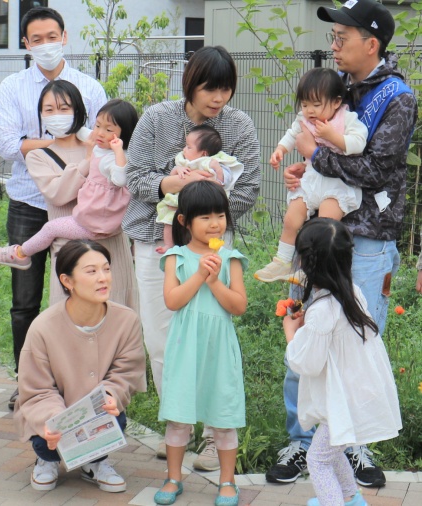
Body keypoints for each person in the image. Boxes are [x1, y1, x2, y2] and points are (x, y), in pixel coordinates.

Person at [268, 0, 416, 487]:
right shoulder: (335, 88)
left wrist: (315, 155)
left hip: (368, 240)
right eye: (333, 37)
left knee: (358, 343)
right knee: (305, 328)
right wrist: (305, 168)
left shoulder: (396, 98)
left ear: (371, 44)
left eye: (342, 37)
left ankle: (352, 445)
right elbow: (323, 154)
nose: (333, 45)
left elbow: (376, 170)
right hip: (320, 236)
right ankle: (302, 440)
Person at [124, 45, 260, 470]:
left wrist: (204, 212)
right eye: (209, 89)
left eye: (226, 89)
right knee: (162, 338)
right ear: (190, 84)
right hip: (157, 241)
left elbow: (249, 188)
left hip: (213, 247)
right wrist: (174, 184)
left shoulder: (239, 125)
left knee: (212, 339)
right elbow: (134, 176)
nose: (218, 98)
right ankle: (177, 428)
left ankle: (213, 436)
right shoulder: (156, 118)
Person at [0, 7, 108, 409]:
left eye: (52, 37)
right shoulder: (13, 86)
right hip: (28, 201)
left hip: (80, 207)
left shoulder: (89, 87)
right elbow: (7, 145)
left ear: (64, 37)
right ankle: (28, 382)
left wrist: (38, 143)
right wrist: (64, 143)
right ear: (26, 44)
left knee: (81, 295)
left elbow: (104, 140)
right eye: (37, 39)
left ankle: (78, 382)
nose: (46, 45)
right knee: (24, 301)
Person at [284, 219, 401, 506]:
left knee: (318, 459)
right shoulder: (352, 293)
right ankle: (350, 498)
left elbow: (307, 362)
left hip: (343, 401)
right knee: (333, 451)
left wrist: (291, 332)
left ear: (306, 263)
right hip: (356, 393)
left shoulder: (322, 310)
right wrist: (309, 326)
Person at [14, 240, 146, 493]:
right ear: (67, 281)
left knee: (114, 417)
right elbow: (36, 389)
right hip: (54, 413)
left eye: (106, 269)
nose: (103, 278)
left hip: (98, 412)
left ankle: (94, 461)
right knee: (46, 441)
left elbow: (127, 371)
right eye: (91, 271)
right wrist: (56, 420)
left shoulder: (126, 320)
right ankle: (46, 460)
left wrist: (111, 394)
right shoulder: (43, 326)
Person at [153, 181, 247, 506]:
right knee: (179, 415)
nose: (215, 223)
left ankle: (227, 482)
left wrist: (214, 281)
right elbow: (173, 301)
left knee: (223, 415)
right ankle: (173, 478)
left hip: (219, 348)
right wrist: (198, 275)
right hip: (185, 347)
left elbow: (238, 306)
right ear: (184, 221)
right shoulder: (175, 257)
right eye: (205, 217)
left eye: (220, 215)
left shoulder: (231, 258)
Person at [0, 97, 133, 270]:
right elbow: (83, 132)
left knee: (51, 228)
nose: (100, 133)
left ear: (123, 134)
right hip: (100, 221)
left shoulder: (111, 158)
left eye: (108, 129)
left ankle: (20, 254)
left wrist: (118, 152)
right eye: (97, 125)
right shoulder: (101, 144)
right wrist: (70, 123)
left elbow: (120, 179)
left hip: (93, 224)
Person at [256, 68, 368, 283]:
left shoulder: (347, 119)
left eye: (316, 105)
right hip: (311, 179)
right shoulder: (304, 119)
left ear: (336, 102)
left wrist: (332, 136)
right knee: (291, 218)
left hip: (337, 185)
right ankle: (282, 261)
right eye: (305, 104)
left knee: (324, 227)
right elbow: (292, 134)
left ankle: (312, 270)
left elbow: (358, 143)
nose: (310, 111)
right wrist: (280, 150)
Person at [155, 125, 243, 254]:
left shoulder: (212, 161)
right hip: (179, 200)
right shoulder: (184, 162)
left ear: (204, 153)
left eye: (189, 147)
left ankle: (205, 247)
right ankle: (169, 244)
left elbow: (226, 178)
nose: (184, 149)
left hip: (202, 203)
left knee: (202, 226)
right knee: (169, 221)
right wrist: (178, 170)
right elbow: (172, 176)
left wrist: (218, 176)